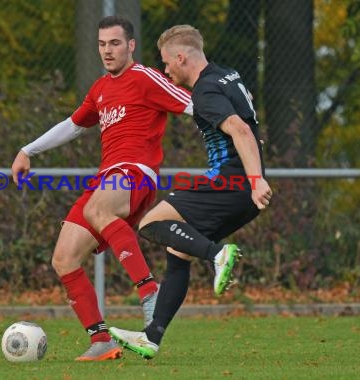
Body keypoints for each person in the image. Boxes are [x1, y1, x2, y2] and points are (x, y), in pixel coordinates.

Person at [11, 16, 196, 361]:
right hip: (107, 178)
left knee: (98, 210)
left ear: (130, 45)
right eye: (101, 44)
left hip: (136, 172)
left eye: (114, 43)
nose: (107, 51)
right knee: (64, 259)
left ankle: (150, 294)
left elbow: (194, 105)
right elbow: (73, 125)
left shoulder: (145, 77)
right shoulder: (99, 89)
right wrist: (27, 150)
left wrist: (235, 128)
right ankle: (101, 341)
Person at [109, 24, 273, 359]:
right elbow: (249, 123)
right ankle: (151, 337)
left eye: (167, 63)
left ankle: (217, 255)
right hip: (241, 187)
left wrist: (255, 180)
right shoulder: (228, 75)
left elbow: (240, 130)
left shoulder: (205, 91)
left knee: (150, 224)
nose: (165, 70)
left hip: (231, 183)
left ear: (182, 57)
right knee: (178, 253)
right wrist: (256, 177)